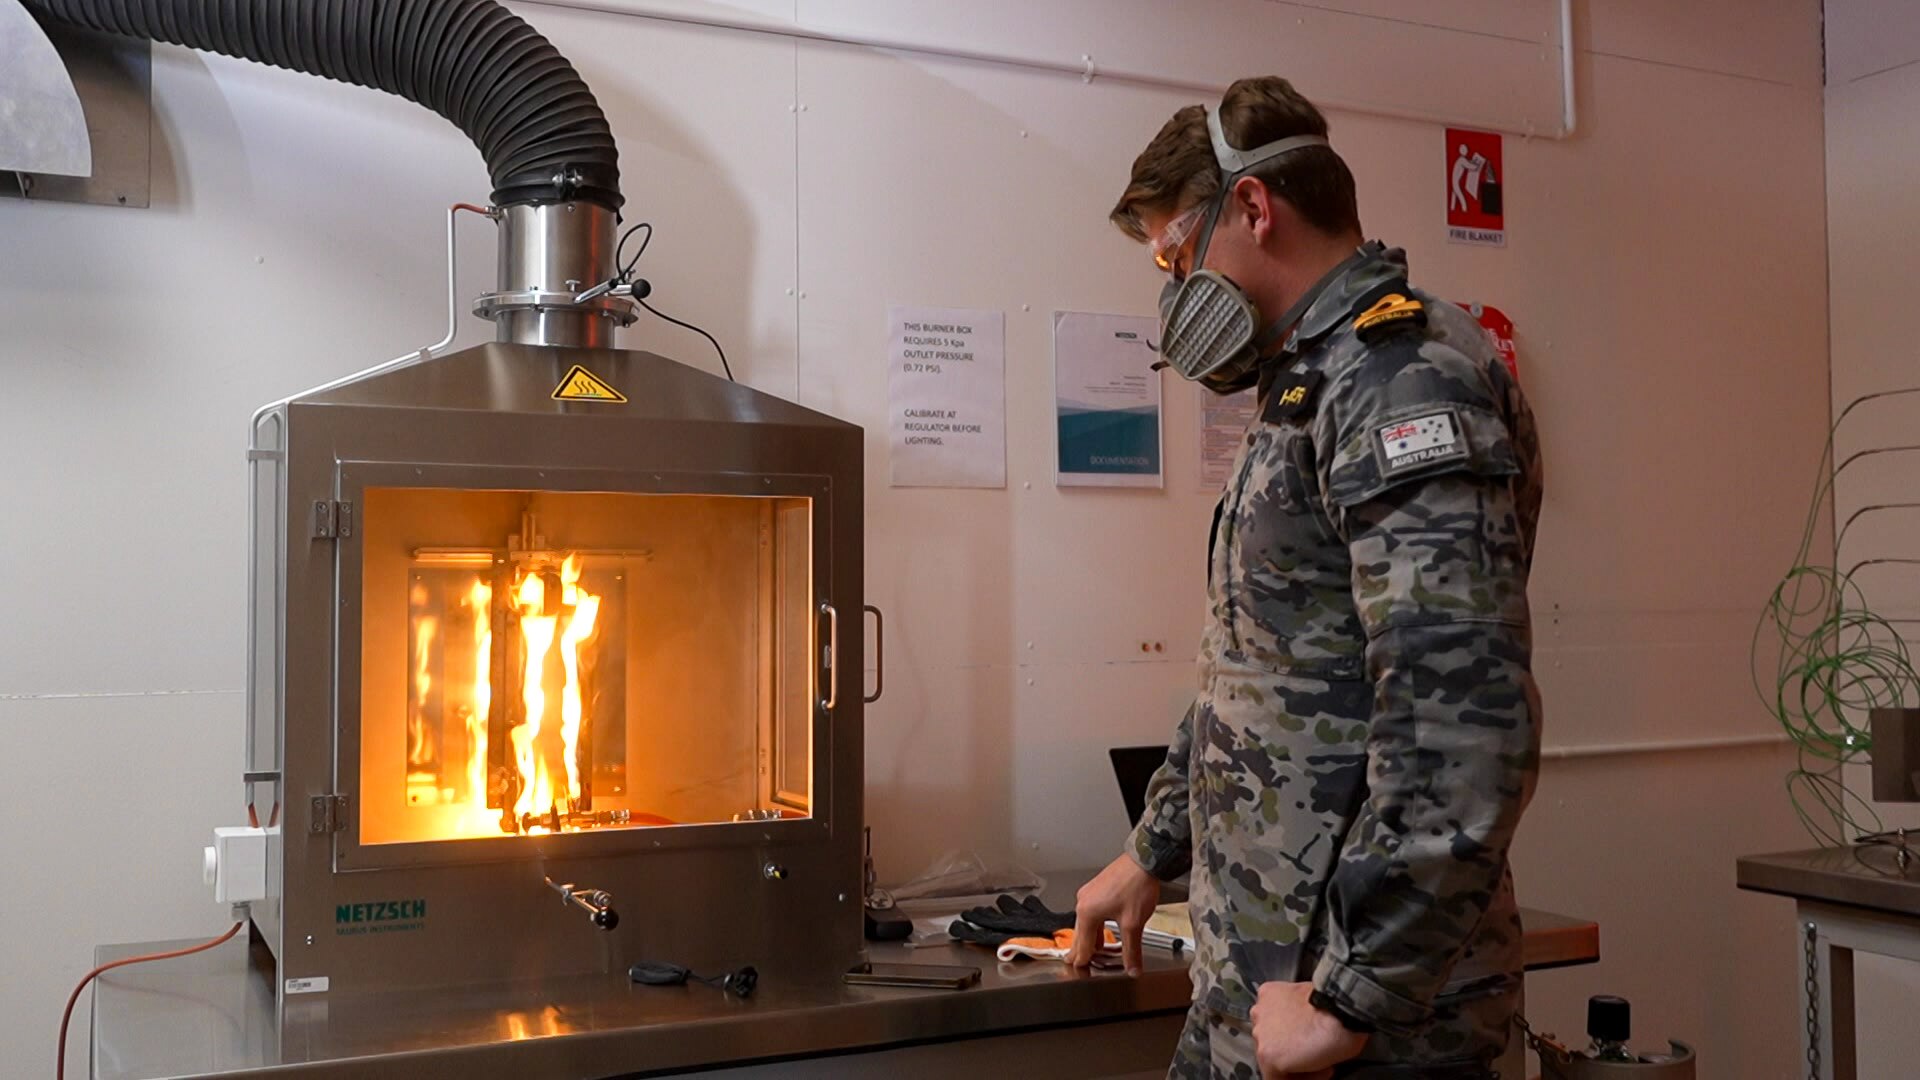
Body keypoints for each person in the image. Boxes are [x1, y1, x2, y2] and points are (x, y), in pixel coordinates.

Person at [1068, 76, 1543, 1080]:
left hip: (1368, 1023)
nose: (1171, 293)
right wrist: (1153, 848)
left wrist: (1352, 992)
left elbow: (1460, 718)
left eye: (1174, 255)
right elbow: (1262, 667)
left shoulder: (1405, 379)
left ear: (1253, 207)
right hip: (1261, 982)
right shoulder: (1312, 383)